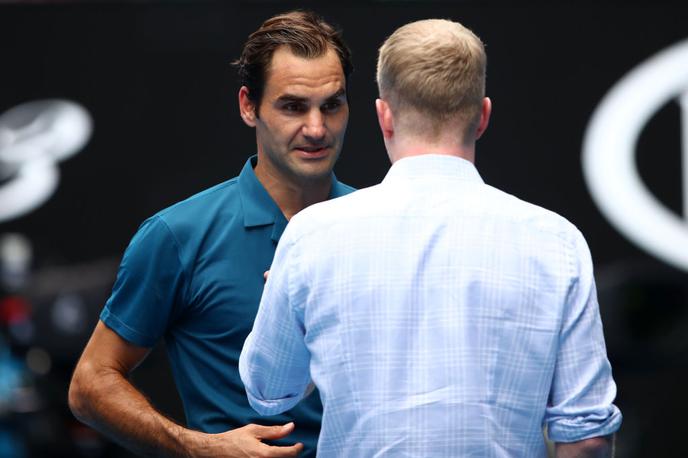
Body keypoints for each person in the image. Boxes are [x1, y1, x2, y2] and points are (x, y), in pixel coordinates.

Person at [239, 18, 622, 457]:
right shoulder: (558, 243)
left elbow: (270, 393)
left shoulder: (312, 237)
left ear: (384, 116)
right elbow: (588, 437)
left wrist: (301, 311)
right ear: (482, 117)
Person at [68, 10, 354, 458]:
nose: (316, 128)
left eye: (331, 105)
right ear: (248, 106)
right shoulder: (178, 235)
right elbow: (90, 383)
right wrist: (198, 448)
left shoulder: (379, 225)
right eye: (293, 106)